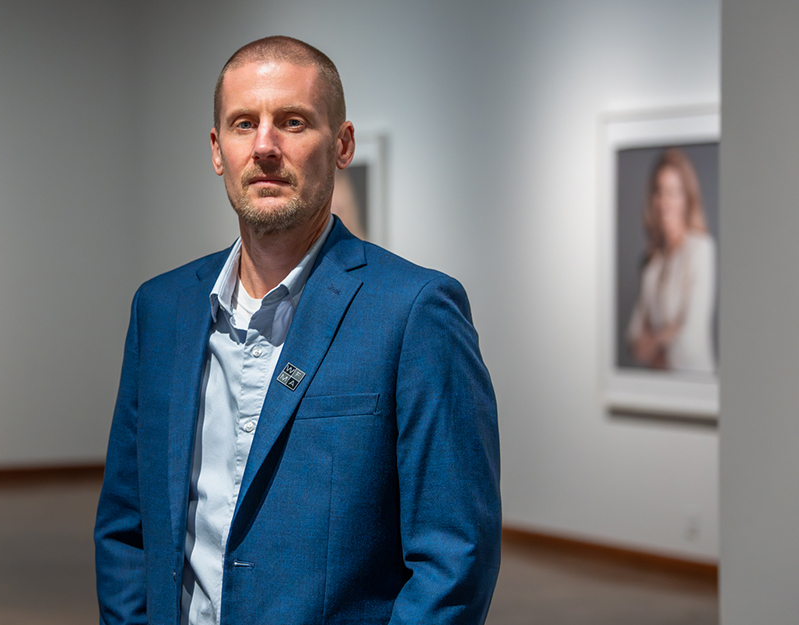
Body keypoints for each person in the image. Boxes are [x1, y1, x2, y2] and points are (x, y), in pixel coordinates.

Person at [95, 36, 500, 625]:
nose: (264, 147)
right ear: (217, 149)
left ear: (342, 144)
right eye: (243, 124)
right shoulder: (162, 308)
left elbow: (454, 560)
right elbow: (126, 528)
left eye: (292, 122)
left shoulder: (414, 312)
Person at [626, 148, 716, 373]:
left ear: (687, 198)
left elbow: (691, 334)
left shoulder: (701, 249)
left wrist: (654, 342)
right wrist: (668, 332)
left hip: (694, 383)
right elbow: (634, 336)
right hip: (659, 386)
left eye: (674, 192)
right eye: (660, 191)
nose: (665, 201)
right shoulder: (653, 261)